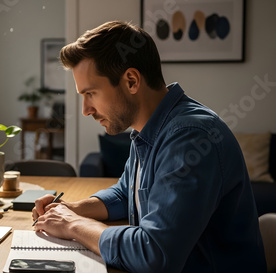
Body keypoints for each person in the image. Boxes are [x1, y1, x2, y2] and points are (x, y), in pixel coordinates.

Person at [32, 21, 266, 272]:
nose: (86, 110)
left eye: (91, 94)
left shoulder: (190, 137)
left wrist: (73, 225)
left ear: (131, 81)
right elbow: (126, 193)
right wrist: (71, 209)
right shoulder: (149, 128)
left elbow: (155, 254)